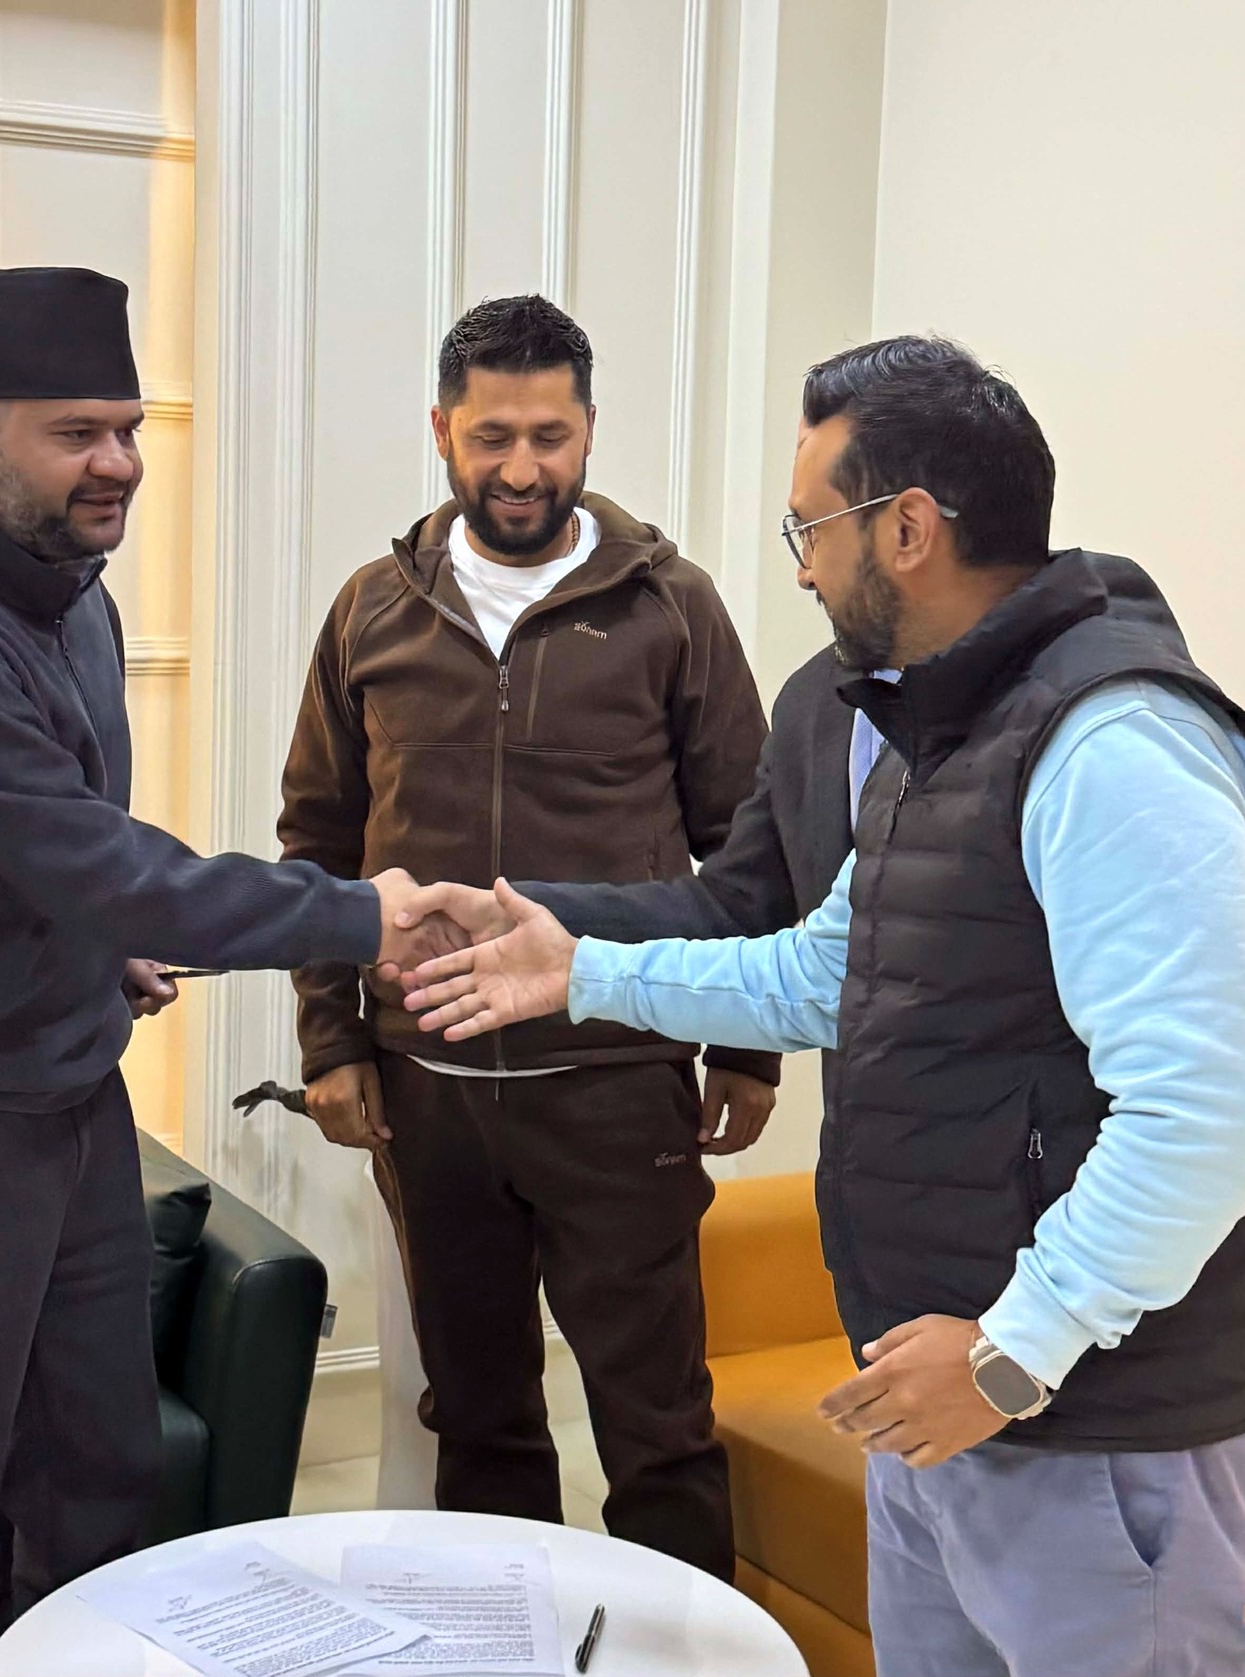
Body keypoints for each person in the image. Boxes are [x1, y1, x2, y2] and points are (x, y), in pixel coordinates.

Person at [401, 336, 1245, 1676]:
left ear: (909, 529)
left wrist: (1009, 1351)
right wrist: (578, 968)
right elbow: (822, 970)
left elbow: (1210, 1115)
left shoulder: (1114, 742)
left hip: (1086, 1417)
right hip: (937, 1385)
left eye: (810, 527)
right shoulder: (935, 729)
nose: (804, 566)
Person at [0, 265, 463, 1677]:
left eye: (129, 429)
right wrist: (357, 916)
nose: (119, 464)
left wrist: (97, 940)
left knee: (97, 1461)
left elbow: (49, 857)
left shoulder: (70, 592)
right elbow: (96, 862)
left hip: (68, 1087)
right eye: (76, 434)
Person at [277, 294, 775, 1580]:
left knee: (656, 1428)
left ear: (588, 430)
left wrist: (745, 1047)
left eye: (548, 436)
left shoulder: (671, 608)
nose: (519, 468)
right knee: (479, 1420)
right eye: (490, 436)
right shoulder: (371, 611)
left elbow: (748, 848)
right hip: (429, 1086)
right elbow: (317, 846)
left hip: (617, 1079)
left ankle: (689, 1665)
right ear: (441, 430)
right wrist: (332, 1040)